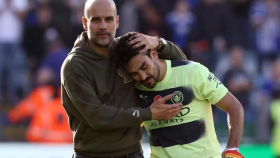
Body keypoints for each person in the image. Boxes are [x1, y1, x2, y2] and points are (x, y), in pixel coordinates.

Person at [61, 0, 187, 157]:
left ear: (117, 21)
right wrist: (148, 113)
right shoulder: (74, 65)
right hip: (91, 154)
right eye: (96, 20)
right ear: (85, 23)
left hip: (133, 152)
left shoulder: (127, 50)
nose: (103, 26)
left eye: (109, 19)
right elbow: (97, 117)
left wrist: (158, 43)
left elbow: (182, 64)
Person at [113, 32, 245, 158]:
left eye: (144, 67)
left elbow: (234, 107)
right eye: (134, 73)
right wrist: (148, 114)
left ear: (154, 54)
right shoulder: (133, 87)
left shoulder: (193, 72)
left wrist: (232, 148)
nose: (142, 76)